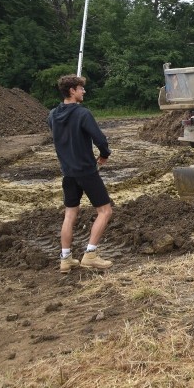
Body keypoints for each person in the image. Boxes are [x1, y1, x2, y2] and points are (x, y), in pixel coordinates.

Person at [47, 75, 114, 272]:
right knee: (105, 211)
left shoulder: (52, 115)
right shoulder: (83, 114)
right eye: (81, 88)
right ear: (72, 91)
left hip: (68, 173)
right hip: (86, 171)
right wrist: (104, 155)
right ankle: (90, 255)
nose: (84, 91)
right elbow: (100, 139)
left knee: (70, 214)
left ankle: (65, 258)